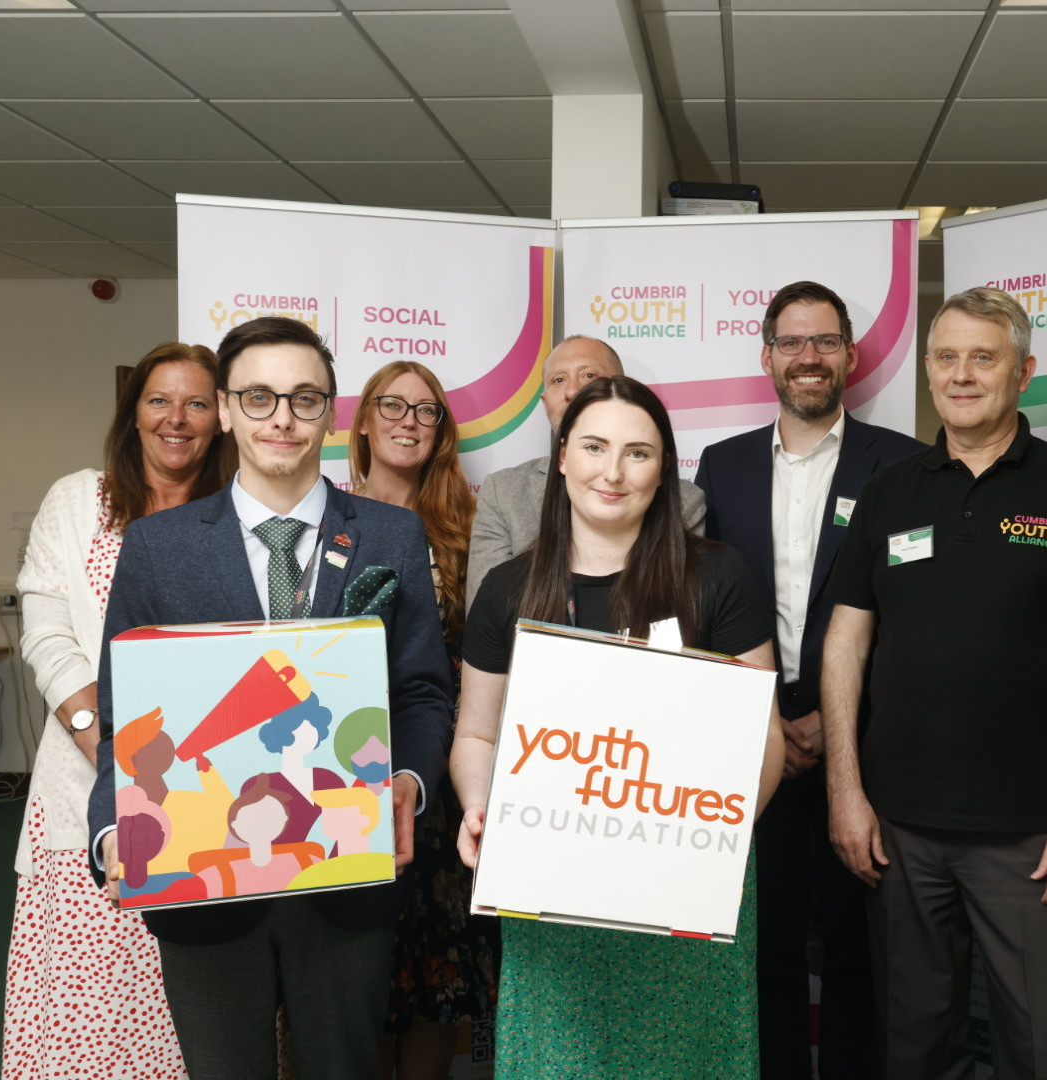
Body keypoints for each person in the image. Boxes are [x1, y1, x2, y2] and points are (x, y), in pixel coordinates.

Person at [88, 316, 455, 1080]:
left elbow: (422, 691)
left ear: (331, 412)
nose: (282, 418)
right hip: (203, 879)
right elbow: (127, 720)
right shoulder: (158, 546)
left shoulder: (391, 536)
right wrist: (113, 831)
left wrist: (408, 782)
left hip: (345, 872)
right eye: (258, 397)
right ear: (225, 409)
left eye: (303, 398)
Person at [822, 287, 1047, 1080]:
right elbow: (844, 646)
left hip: (1031, 838)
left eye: (983, 357)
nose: (961, 375)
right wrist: (845, 791)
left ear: (1023, 372)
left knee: (1039, 1053)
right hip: (898, 831)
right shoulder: (890, 489)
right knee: (912, 1049)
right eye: (945, 357)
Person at [451, 374, 787, 1079]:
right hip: (551, 891)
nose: (612, 472)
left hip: (685, 894)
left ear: (663, 471)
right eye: (594, 447)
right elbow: (478, 734)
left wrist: (704, 842)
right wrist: (480, 807)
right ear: (562, 457)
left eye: (637, 453)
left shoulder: (718, 578)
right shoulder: (507, 590)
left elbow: (763, 738)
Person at [694, 280, 922, 1078]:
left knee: (863, 949)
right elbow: (702, 608)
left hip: (865, 742)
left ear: (850, 356)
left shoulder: (903, 464)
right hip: (755, 747)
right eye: (791, 342)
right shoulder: (720, 468)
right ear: (768, 357)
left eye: (824, 341)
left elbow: (915, 611)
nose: (808, 357)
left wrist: (839, 715)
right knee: (767, 947)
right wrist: (763, 721)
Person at [6, 340, 228, 1080]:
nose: (176, 418)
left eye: (196, 403)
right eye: (159, 400)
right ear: (133, 414)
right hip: (87, 797)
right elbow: (47, 634)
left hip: (210, 802)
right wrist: (111, 754)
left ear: (221, 419)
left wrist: (171, 778)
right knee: (92, 1015)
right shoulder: (80, 501)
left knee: (205, 1014)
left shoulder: (237, 517)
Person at [348, 359, 500, 1080]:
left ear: (441, 430)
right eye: (393, 405)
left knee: (439, 974)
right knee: (364, 975)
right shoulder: (328, 521)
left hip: (442, 772)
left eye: (426, 410)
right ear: (364, 421)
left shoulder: (468, 525)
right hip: (349, 770)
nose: (409, 421)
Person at [466, 335, 705, 608]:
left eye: (589, 375)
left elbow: (682, 611)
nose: (572, 391)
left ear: (622, 388)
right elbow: (489, 611)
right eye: (558, 380)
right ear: (545, 402)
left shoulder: (685, 500)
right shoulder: (503, 492)